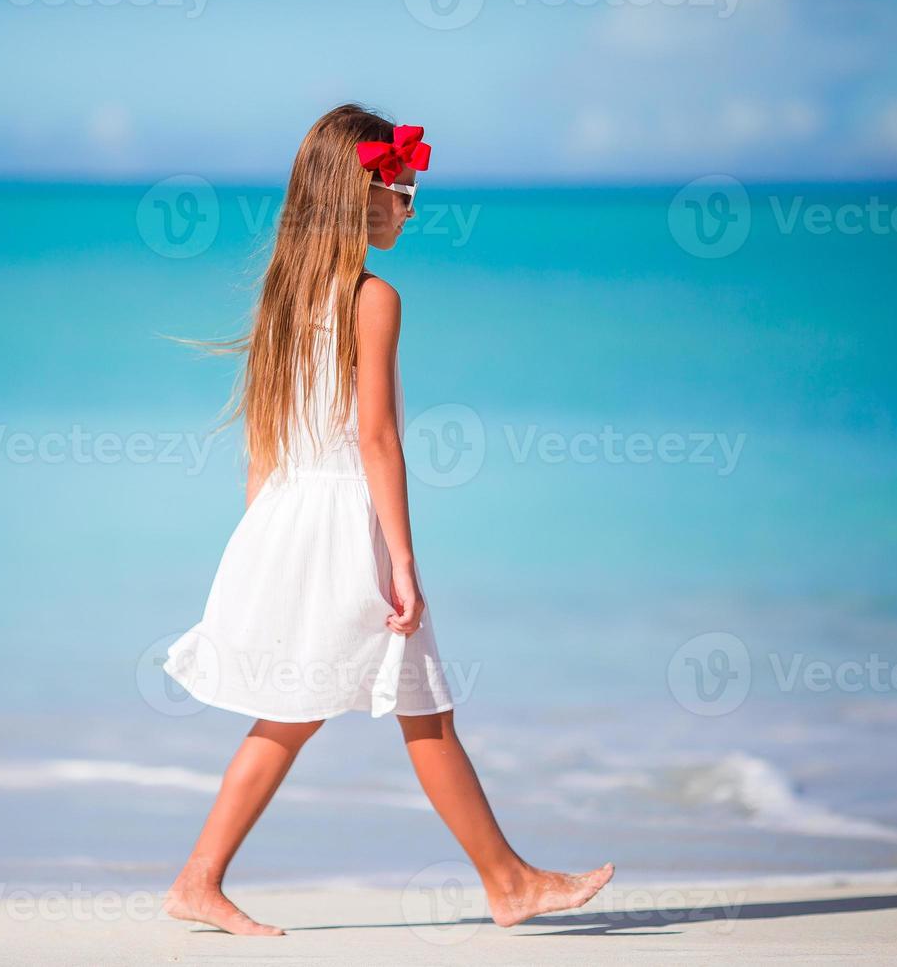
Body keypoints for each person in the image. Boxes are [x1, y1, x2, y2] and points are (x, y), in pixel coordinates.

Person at [160, 103, 614, 936]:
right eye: (401, 192)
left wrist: (261, 548)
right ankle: (506, 883)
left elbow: (267, 443)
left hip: (285, 523)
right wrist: (402, 559)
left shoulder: (284, 300)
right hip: (344, 531)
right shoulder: (374, 298)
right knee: (396, 709)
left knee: (328, 711)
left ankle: (204, 880)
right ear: (357, 197)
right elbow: (375, 438)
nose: (410, 208)